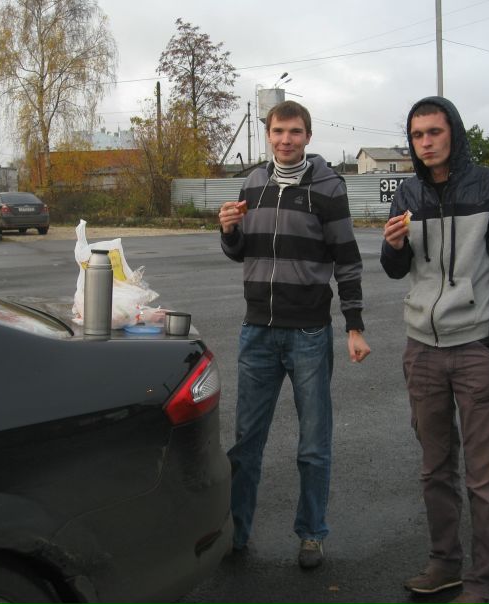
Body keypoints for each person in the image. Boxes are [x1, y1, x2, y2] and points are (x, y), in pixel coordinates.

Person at [380, 96, 489, 604]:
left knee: (484, 478)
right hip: (422, 349)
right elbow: (395, 269)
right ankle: (444, 563)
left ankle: (483, 582)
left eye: (434, 132)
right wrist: (393, 245)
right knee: (434, 469)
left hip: (477, 348)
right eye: (417, 135)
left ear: (453, 133)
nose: (425, 143)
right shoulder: (408, 193)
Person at [218, 100, 370, 570]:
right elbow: (241, 251)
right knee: (246, 443)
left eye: (295, 132)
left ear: (308, 136)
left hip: (308, 332)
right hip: (257, 333)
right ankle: (236, 533)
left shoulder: (328, 187)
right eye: (278, 131)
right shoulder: (252, 183)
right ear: (268, 134)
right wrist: (229, 231)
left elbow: (347, 259)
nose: (286, 140)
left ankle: (311, 533)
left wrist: (354, 325)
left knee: (313, 444)